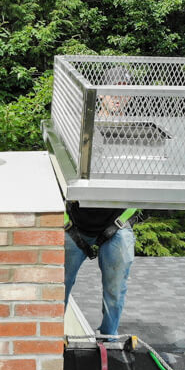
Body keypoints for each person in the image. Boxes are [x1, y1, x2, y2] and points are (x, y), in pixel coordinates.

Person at [64, 66, 137, 341]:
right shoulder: (81, 128)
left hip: (115, 224)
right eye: (112, 89)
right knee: (58, 286)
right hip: (77, 223)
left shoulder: (137, 131)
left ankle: (108, 339)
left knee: (116, 292)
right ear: (101, 94)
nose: (117, 95)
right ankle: (49, 341)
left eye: (124, 90)